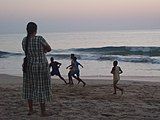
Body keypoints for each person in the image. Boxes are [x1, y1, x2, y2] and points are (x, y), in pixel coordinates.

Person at [22, 22, 52, 116]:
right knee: (41, 87)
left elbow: (27, 52)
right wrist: (43, 51)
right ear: (36, 29)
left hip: (29, 66)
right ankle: (43, 111)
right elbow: (49, 48)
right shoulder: (39, 38)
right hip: (41, 66)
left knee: (29, 87)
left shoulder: (24, 40)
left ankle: (31, 110)